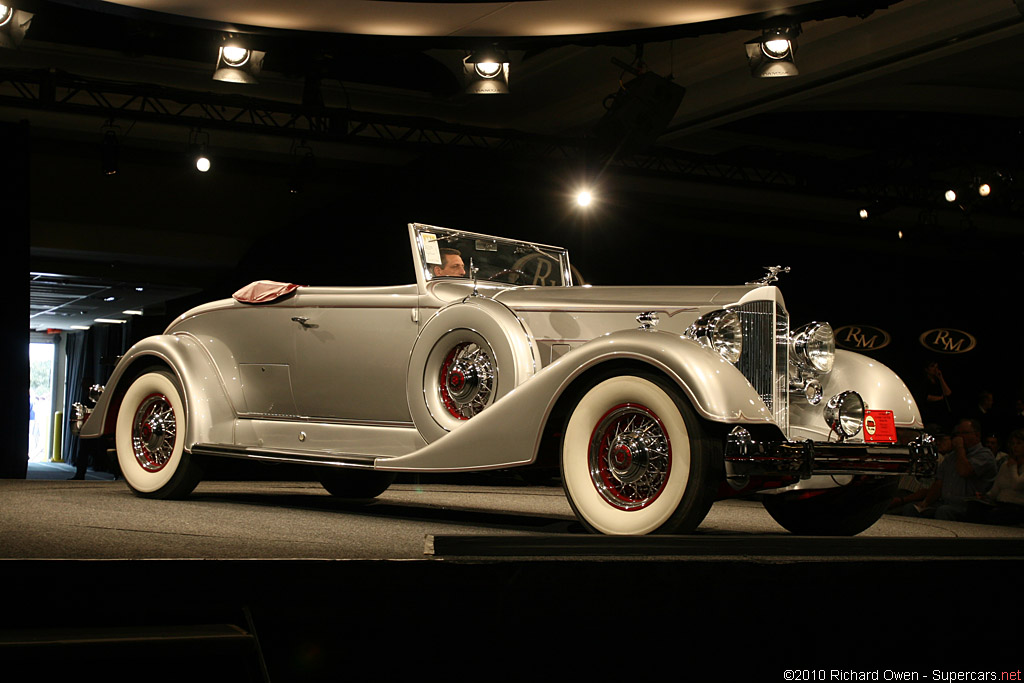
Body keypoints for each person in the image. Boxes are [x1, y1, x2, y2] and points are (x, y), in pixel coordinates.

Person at [893, 418, 996, 521]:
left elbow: (964, 471)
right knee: (911, 509)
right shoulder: (951, 457)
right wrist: (926, 503)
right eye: (958, 433)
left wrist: (960, 448)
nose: (960, 437)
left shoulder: (984, 455)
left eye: (964, 433)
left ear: (977, 435)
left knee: (944, 511)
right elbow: (939, 483)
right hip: (943, 502)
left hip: (969, 506)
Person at [978, 429, 1024, 526]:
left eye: (1019, 443)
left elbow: (1017, 485)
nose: (1015, 447)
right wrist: (984, 496)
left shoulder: (1011, 466)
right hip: (1000, 504)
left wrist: (1013, 467)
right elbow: (995, 490)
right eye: (1013, 443)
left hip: (1017, 507)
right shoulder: (1005, 465)